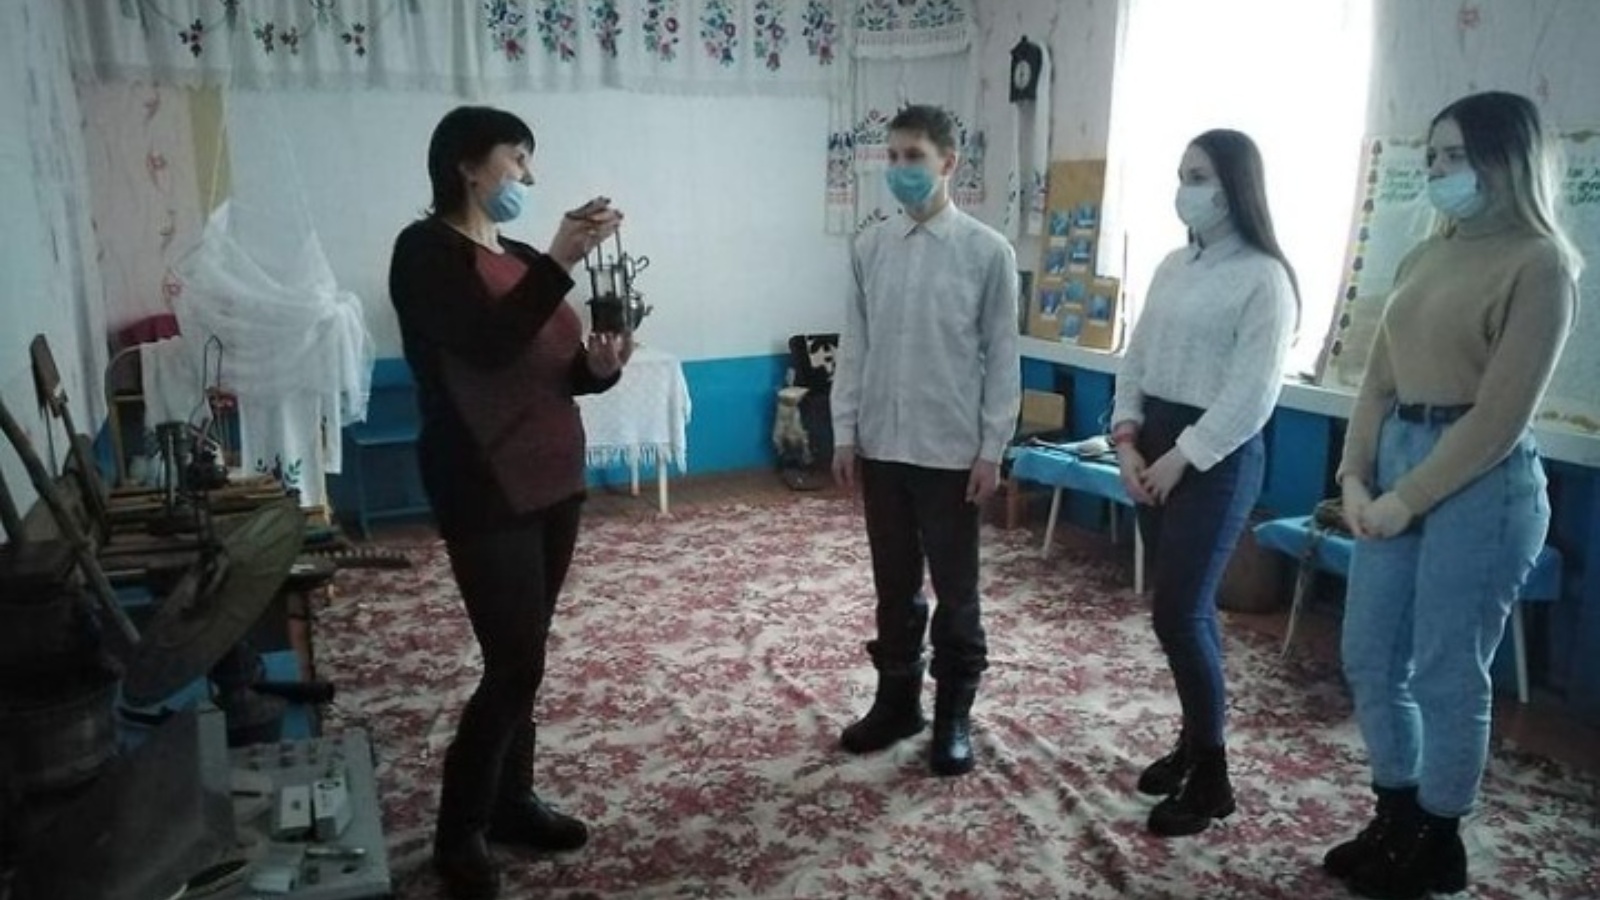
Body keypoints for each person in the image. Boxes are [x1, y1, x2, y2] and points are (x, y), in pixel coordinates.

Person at [1328, 91, 1578, 900]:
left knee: (1445, 670)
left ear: (1507, 160)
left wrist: (1409, 497)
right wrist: (1355, 477)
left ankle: (1439, 839)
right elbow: (1377, 383)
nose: (1438, 171)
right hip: (1398, 458)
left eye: (1456, 156)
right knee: (1370, 656)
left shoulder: (1540, 264)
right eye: (1431, 156)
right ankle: (1396, 812)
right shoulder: (1423, 257)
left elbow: (1501, 415)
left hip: (1482, 482)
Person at [389, 105, 632, 900]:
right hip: (482, 480)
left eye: (529, 161)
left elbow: (556, 370)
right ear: (467, 164)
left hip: (554, 474)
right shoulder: (425, 252)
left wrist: (600, 368)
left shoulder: (520, 256)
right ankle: (459, 831)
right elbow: (489, 346)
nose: (527, 175)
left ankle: (513, 802)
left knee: (528, 656)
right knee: (514, 661)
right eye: (515, 158)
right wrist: (560, 259)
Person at [1109, 130, 1298, 836]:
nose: (1185, 189)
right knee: (1184, 611)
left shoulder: (1264, 277)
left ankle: (1213, 776)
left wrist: (1181, 457)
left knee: (1179, 613)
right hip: (1154, 441)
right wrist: (1127, 442)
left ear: (1235, 187)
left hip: (1216, 456)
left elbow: (1253, 393)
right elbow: (1136, 359)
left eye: (1200, 176)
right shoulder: (1172, 266)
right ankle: (1193, 742)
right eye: (1181, 174)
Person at [830, 104, 1021, 778]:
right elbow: (855, 346)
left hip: (949, 452)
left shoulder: (986, 252)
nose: (901, 168)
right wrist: (845, 432)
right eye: (892, 156)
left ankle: (952, 717)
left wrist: (992, 447)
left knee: (957, 592)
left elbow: (1003, 357)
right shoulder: (870, 247)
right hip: (884, 446)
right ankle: (897, 704)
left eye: (914, 156)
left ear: (949, 163)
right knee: (894, 586)